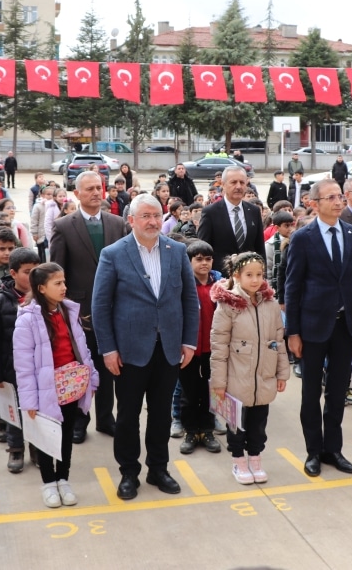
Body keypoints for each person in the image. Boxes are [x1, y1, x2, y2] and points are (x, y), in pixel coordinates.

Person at [91, 194, 199, 501]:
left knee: (161, 413)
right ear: (132, 220)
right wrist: (108, 349)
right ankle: (128, 472)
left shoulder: (176, 250)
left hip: (168, 348)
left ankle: (158, 469)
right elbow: (100, 306)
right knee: (127, 415)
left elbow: (189, 300)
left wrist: (188, 341)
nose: (153, 221)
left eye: (157, 215)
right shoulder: (113, 254)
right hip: (128, 352)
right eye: (146, 216)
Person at [284, 178, 352, 476]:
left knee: (337, 391)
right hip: (312, 327)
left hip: (345, 326)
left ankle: (334, 449)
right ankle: (313, 451)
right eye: (331, 197)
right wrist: (292, 332)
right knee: (310, 394)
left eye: (339, 197)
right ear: (315, 203)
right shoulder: (303, 237)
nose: (338, 202)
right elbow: (292, 287)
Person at [49, 171, 127, 443]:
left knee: (108, 367)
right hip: (78, 311)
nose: (96, 192)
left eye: (99, 187)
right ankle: (79, 420)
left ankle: (106, 419)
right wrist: (62, 308)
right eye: (89, 189)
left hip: (113, 309)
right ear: (77, 194)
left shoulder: (118, 224)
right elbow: (56, 272)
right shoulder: (64, 226)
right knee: (81, 366)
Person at [13, 262, 99, 508]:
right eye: (57, 283)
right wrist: (28, 400)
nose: (64, 287)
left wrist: (91, 377)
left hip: (70, 386)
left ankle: (63, 479)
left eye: (64, 282)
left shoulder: (69, 311)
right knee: (46, 437)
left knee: (65, 436)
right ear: (41, 288)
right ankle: (48, 483)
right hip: (44, 390)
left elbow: (82, 349)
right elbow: (24, 364)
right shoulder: (28, 319)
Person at [210, 252, 289, 484]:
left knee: (259, 423)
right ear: (237, 276)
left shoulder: (271, 304)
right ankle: (238, 460)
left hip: (263, 376)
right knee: (237, 423)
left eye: (259, 275)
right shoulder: (227, 306)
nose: (255, 280)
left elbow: (278, 340)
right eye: (249, 275)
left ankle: (255, 457)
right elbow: (219, 346)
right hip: (237, 378)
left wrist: (282, 373)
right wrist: (219, 383)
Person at [0, 247, 39, 473]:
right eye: (28, 272)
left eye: (37, 271)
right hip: (12, 370)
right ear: (13, 273)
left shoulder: (46, 298)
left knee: (38, 411)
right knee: (15, 411)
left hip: (39, 370)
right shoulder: (0, 301)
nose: (33, 277)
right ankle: (16, 448)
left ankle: (38, 447)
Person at [178, 240, 222, 455]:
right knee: (189, 391)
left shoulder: (220, 285)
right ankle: (190, 431)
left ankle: (207, 430)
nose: (204, 263)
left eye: (208, 259)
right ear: (189, 262)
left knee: (209, 390)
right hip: (189, 348)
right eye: (198, 259)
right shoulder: (183, 285)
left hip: (213, 348)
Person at [198, 166, 265, 273]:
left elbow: (259, 248)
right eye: (233, 182)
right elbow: (204, 248)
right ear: (223, 184)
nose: (238, 186)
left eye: (242, 182)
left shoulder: (254, 211)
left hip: (249, 278)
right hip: (220, 277)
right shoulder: (210, 212)